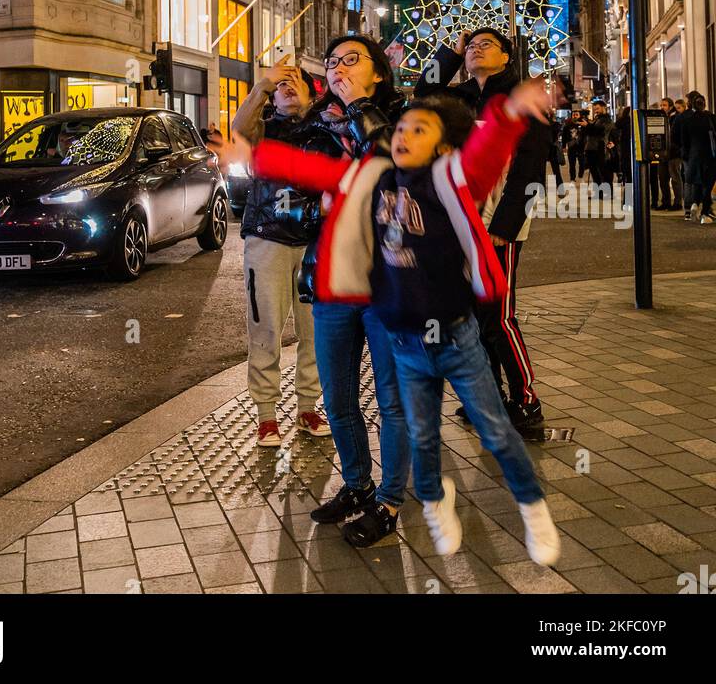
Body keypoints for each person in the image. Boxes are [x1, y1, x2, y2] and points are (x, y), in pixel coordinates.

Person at [227, 77, 562, 567]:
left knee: (471, 425)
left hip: (440, 328)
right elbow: (316, 170)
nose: (403, 135)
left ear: (444, 145)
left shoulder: (451, 179)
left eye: (417, 129)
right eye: (401, 128)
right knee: (378, 418)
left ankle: (514, 508)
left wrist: (511, 112)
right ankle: (391, 495)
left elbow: (485, 154)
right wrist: (254, 155)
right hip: (374, 316)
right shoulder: (376, 176)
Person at [228, 33, 411, 549]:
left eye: (351, 60)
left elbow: (398, 171)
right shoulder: (318, 127)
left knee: (392, 400)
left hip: (384, 277)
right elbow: (290, 176)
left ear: (378, 70)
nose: (338, 67)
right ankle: (356, 485)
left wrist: (356, 106)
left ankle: (390, 500)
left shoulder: (400, 115)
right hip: (329, 275)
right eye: (331, 61)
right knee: (338, 394)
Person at [414, 29, 551, 432]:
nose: (475, 49)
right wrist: (451, 52)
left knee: (499, 317)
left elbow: (530, 170)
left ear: (507, 56)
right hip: (460, 221)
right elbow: (424, 91)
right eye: (471, 45)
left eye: (485, 45)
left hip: (496, 226)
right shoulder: (459, 99)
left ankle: (526, 402)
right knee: (472, 316)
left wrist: (505, 228)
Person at [230, 63, 338, 447]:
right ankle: (266, 415)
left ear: (312, 95)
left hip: (313, 241)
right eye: (282, 86)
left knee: (313, 331)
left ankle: (308, 405)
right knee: (266, 329)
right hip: (268, 240)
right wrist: (263, 84)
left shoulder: (324, 131)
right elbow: (239, 129)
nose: (289, 88)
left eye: (297, 84)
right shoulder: (263, 131)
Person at [678, 91, 716, 224]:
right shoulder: (710, 117)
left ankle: (694, 203)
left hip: (694, 156)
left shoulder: (688, 120)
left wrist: (687, 154)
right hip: (710, 156)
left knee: (697, 182)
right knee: (708, 184)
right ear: (704, 104)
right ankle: (705, 213)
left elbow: (684, 141)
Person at [579, 101, 617, 187]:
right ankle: (599, 193)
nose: (596, 110)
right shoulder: (597, 119)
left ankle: (606, 193)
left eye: (598, 108)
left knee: (603, 172)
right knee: (595, 172)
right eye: (595, 109)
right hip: (592, 148)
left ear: (604, 108)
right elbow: (591, 132)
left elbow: (600, 131)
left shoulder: (606, 120)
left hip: (600, 148)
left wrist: (587, 126)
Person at [655, 98, 683, 210]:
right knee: (662, 178)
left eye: (664, 105)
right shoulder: (660, 118)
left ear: (670, 107)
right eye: (661, 105)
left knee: (675, 178)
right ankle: (665, 202)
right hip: (662, 153)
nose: (662, 107)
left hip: (674, 153)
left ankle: (677, 203)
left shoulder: (675, 118)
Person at [561, 110, 584, 180]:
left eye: (576, 114)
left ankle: (580, 175)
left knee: (582, 163)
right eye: (573, 115)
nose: (575, 116)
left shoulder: (583, 124)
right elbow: (564, 136)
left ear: (579, 115)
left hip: (581, 147)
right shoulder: (567, 124)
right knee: (572, 164)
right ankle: (572, 178)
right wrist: (564, 146)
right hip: (571, 147)